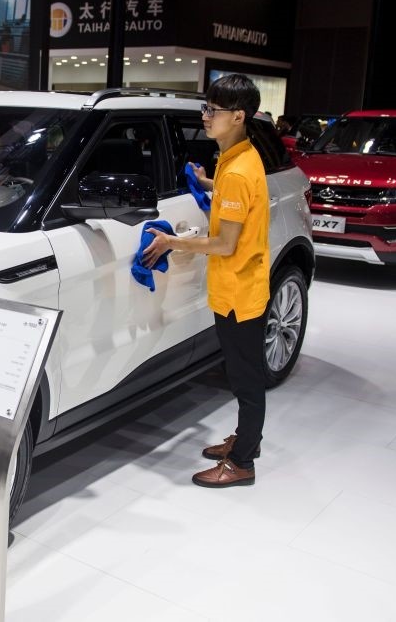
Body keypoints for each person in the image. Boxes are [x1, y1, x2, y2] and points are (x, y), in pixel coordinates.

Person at [143, 74, 270, 488]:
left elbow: (225, 244)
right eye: (205, 108)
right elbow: (238, 194)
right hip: (244, 285)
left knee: (246, 380)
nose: (206, 116)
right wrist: (206, 182)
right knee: (242, 374)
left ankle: (243, 460)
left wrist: (171, 242)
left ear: (238, 115)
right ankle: (245, 440)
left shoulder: (237, 170)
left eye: (213, 111)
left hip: (238, 292)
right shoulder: (239, 158)